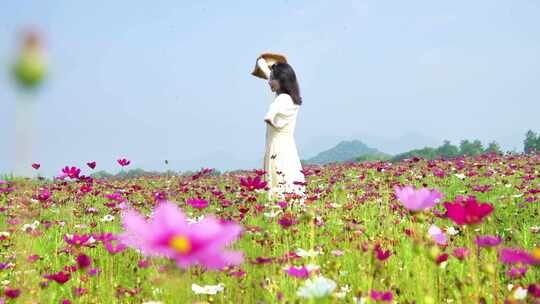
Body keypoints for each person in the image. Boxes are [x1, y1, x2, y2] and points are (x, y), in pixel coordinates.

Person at [255, 55, 306, 202]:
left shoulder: (282, 99)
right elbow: (267, 73)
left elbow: (271, 111)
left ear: (281, 81)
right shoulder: (291, 97)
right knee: (290, 180)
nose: (269, 82)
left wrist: (270, 119)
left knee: (278, 183)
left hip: (277, 149)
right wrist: (262, 62)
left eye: (272, 79)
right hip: (289, 147)